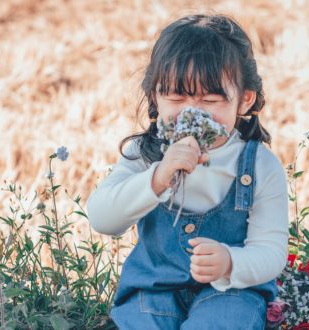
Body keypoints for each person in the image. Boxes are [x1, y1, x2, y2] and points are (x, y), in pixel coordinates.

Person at [86, 14, 289, 329]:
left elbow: (271, 252)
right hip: (151, 293)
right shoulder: (145, 154)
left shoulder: (260, 165)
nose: (193, 112)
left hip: (230, 293)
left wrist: (230, 262)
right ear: (155, 96)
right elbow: (102, 219)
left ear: (244, 100)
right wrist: (156, 177)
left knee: (225, 320)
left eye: (210, 100)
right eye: (177, 97)